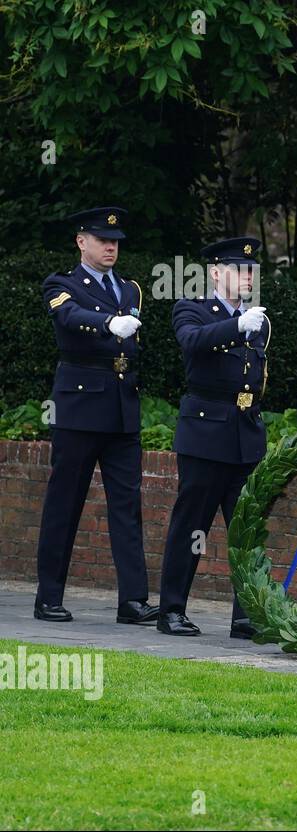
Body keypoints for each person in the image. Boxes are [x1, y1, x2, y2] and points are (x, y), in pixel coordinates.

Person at [34, 207, 159, 626]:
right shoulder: (62, 284)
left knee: (127, 507)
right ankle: (48, 595)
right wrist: (108, 322)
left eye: (116, 241)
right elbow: (68, 317)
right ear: (81, 241)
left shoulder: (130, 289)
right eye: (102, 240)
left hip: (122, 407)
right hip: (81, 406)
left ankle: (133, 600)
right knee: (64, 504)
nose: (111, 246)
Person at [157, 237, 268, 637]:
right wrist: (237, 326)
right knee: (192, 527)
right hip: (205, 434)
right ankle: (171, 610)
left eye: (251, 271)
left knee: (246, 531)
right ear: (217, 273)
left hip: (244, 435)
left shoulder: (257, 320)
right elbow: (192, 341)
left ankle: (245, 615)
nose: (246, 277)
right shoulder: (193, 309)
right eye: (239, 269)